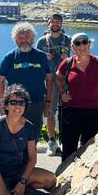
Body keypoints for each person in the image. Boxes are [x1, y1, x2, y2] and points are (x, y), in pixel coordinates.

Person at [0, 84, 57, 195]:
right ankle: (3, 192)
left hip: (20, 172)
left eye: (21, 103)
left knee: (51, 179)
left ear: (25, 106)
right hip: (0, 175)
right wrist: (2, 189)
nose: (17, 106)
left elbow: (32, 158)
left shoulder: (29, 127)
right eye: (13, 102)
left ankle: (22, 190)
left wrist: (23, 181)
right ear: (6, 105)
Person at [56, 32, 98, 162]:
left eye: (84, 42)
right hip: (71, 110)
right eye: (77, 43)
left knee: (88, 147)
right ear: (72, 47)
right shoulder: (67, 63)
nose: (82, 46)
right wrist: (62, 92)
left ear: (89, 44)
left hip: (95, 110)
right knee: (68, 146)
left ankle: (83, 177)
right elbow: (58, 78)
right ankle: (64, 176)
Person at [0, 22, 52, 141]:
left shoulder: (41, 56)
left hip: (36, 103)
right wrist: (2, 103)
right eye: (20, 37)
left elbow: (49, 79)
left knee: (34, 134)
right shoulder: (9, 57)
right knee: (14, 134)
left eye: (27, 36)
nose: (24, 40)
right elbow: (0, 80)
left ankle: (31, 159)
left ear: (32, 39)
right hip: (15, 104)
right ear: (15, 39)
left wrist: (48, 101)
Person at [36, 13, 70, 156]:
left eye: (58, 21)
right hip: (48, 81)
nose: (55, 23)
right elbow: (36, 62)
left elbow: (77, 57)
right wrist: (44, 58)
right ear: (48, 23)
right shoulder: (42, 41)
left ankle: (64, 141)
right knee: (50, 112)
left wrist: (67, 57)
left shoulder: (68, 40)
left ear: (61, 24)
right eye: (52, 21)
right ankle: (51, 141)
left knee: (65, 112)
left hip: (65, 80)